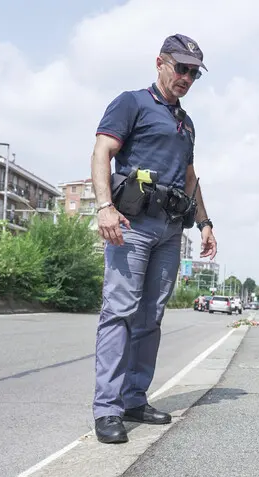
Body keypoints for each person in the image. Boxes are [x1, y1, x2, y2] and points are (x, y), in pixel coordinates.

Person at [89, 34, 217, 444]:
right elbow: (102, 152)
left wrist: (206, 222)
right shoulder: (132, 102)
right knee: (120, 312)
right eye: (181, 68)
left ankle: (133, 398)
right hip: (133, 226)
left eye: (194, 73)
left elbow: (191, 176)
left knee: (151, 318)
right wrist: (104, 207)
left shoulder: (187, 122)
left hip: (170, 230)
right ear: (160, 62)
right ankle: (107, 409)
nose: (187, 78)